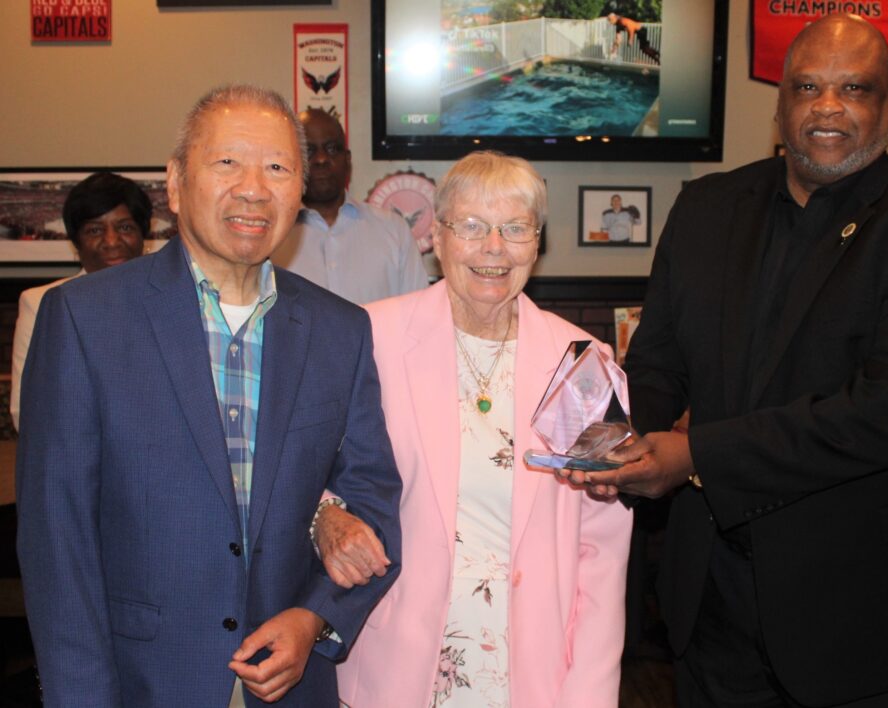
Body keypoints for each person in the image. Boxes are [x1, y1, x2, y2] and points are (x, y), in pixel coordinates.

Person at [571, 14, 888, 707]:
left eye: (854, 89)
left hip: (864, 616)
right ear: (781, 105)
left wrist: (695, 456)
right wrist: (616, 445)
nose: (827, 106)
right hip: (711, 603)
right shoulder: (706, 206)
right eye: (807, 86)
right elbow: (657, 364)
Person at [15, 85, 402, 707]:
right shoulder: (85, 320)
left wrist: (314, 619)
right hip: (141, 683)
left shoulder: (340, 330)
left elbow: (374, 497)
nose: (253, 188)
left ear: (299, 192)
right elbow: (58, 545)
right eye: (227, 163)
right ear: (174, 183)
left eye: (278, 168)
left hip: (292, 687)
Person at [313, 151, 633, 707]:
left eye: (515, 228)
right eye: (472, 226)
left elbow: (601, 552)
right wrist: (325, 516)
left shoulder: (581, 363)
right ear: (437, 236)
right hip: (395, 663)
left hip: (530, 671)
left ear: (537, 242)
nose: (494, 248)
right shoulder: (372, 336)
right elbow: (302, 466)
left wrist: (589, 692)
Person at [10, 171, 150, 429]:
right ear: (76, 242)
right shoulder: (41, 302)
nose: (111, 241)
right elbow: (26, 409)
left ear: (144, 234)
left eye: (125, 227)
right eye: (95, 230)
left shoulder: (171, 299)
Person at [273, 108, 428, 304]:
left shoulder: (393, 230)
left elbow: (418, 313)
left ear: (347, 160)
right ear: (293, 162)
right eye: (309, 151)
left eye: (331, 149)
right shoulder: (272, 235)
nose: (321, 159)